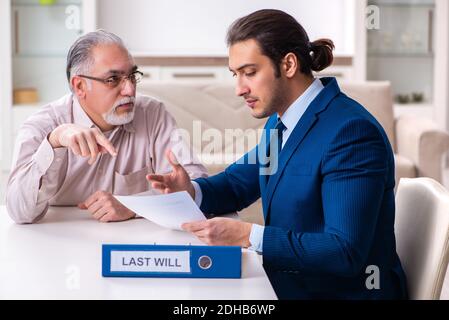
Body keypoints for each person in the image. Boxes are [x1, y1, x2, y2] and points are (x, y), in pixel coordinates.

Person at [147, 9, 408, 299]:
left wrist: (248, 235)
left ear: (289, 64)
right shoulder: (282, 120)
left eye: (250, 72)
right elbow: (237, 184)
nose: (239, 89)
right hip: (292, 282)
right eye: (236, 75)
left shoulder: (352, 134)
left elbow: (344, 252)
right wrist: (190, 189)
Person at [6, 30, 207, 224]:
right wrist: (55, 142)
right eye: (113, 79)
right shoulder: (42, 126)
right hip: (59, 243)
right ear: (80, 86)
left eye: (132, 75)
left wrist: (132, 206)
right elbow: (18, 211)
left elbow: (196, 185)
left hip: (133, 243)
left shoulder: (152, 114)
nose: (129, 89)